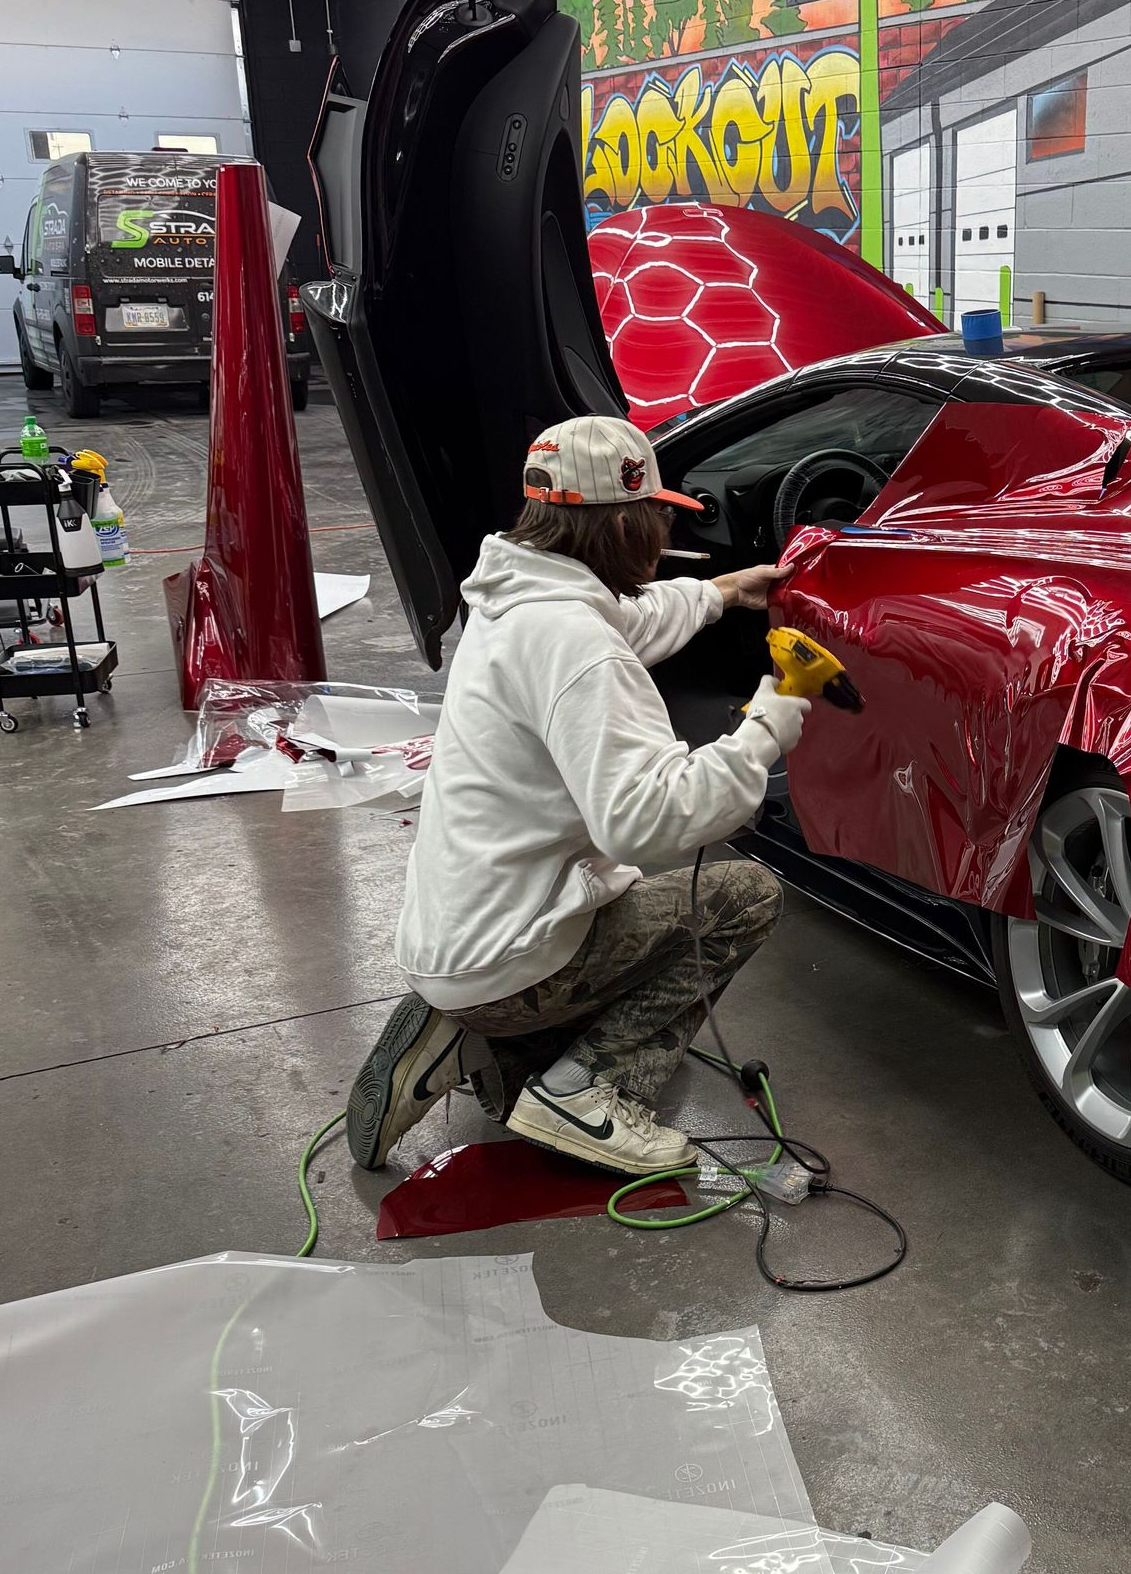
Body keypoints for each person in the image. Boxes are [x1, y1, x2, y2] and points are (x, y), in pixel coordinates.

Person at [344, 413, 811, 1178]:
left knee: (621, 912)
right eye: (660, 515)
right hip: (515, 949)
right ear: (626, 523)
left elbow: (630, 619)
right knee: (744, 895)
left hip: (459, 930)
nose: (665, 532)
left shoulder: (515, 600)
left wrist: (724, 592)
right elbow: (650, 822)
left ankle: (481, 1034)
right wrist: (771, 719)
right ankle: (582, 1089)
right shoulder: (579, 647)